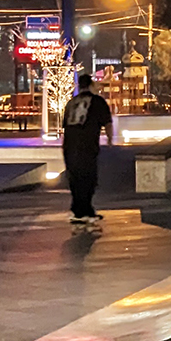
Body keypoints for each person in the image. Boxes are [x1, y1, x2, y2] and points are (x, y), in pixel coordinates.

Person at [61, 71, 113, 228]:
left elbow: (66, 126)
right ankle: (83, 211)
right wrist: (110, 139)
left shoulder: (71, 103)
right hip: (87, 145)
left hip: (70, 145)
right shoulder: (97, 101)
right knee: (88, 178)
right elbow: (107, 123)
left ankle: (80, 209)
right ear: (90, 85)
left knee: (75, 178)